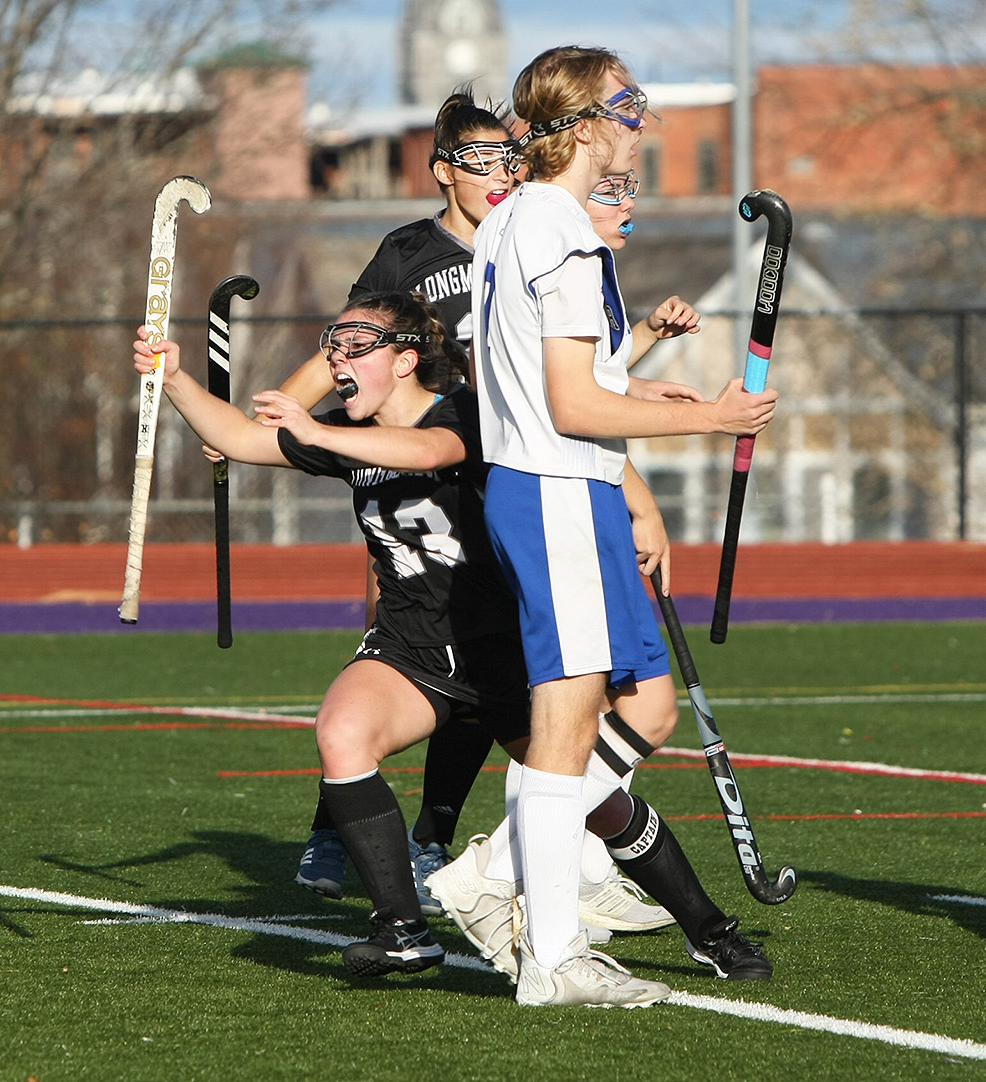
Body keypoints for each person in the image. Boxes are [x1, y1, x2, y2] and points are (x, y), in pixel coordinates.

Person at [278, 91, 678, 937]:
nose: (498, 171)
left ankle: (510, 849)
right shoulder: (414, 252)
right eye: (479, 159)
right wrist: (274, 412)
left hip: (523, 469)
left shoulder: (532, 236)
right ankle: (379, 837)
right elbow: (343, 344)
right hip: (441, 469)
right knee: (423, 642)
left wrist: (638, 501)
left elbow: (576, 386)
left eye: (508, 156)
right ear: (443, 172)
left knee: (516, 671)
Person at [440, 45, 778, 1008]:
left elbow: (560, 390)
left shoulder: (513, 221)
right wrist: (708, 418)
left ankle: (544, 940)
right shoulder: (562, 231)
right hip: (553, 485)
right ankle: (552, 954)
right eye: (624, 101)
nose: (641, 113)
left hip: (543, 484)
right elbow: (574, 406)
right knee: (562, 723)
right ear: (583, 124)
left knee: (573, 716)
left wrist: (639, 389)